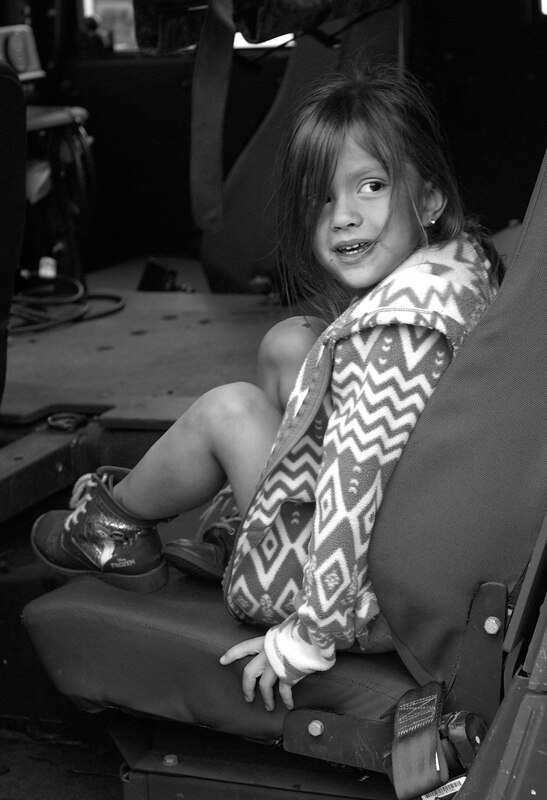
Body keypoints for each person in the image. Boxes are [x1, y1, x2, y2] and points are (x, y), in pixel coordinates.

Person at [32, 65, 503, 714]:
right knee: (292, 341)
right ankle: (229, 513)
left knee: (229, 411)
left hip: (362, 599)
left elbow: (353, 477)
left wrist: (307, 638)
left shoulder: (394, 332)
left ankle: (111, 527)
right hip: (417, 545)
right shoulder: (464, 268)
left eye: (370, 185)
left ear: (428, 199)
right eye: (322, 197)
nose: (343, 217)